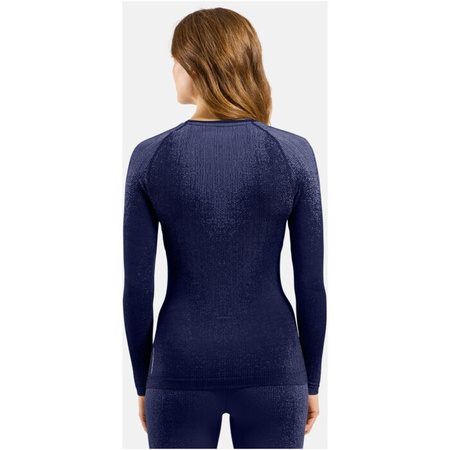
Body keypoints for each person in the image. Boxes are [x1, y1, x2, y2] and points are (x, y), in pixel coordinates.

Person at [123, 7, 327, 449]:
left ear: (197, 65)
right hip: (275, 367)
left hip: (179, 368)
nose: (172, 70)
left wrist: (143, 382)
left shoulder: (151, 157)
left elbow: (137, 289)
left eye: (176, 59)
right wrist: (311, 380)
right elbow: (311, 284)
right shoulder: (293, 154)